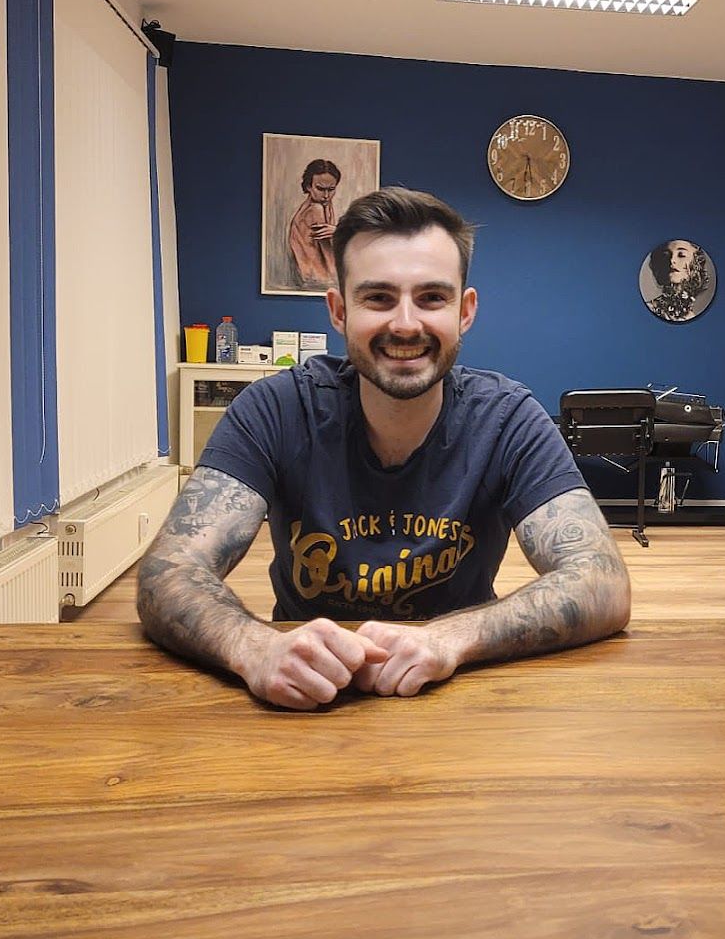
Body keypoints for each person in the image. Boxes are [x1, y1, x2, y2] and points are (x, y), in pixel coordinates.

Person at [139, 187, 630, 710]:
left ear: (465, 311)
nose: (405, 324)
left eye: (431, 297)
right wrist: (253, 647)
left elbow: (601, 581)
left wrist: (448, 641)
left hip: (460, 693)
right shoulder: (277, 409)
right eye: (378, 297)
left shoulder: (508, 419)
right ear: (338, 310)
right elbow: (168, 572)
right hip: (305, 698)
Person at [287, 159, 341, 287]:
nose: (327, 195)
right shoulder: (316, 209)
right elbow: (328, 256)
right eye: (320, 189)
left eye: (331, 189)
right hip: (317, 278)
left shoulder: (323, 204)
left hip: (312, 276)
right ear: (308, 187)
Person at [646, 239, 710, 322]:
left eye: (681, 255)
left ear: (696, 261)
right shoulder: (650, 309)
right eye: (665, 255)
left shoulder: (691, 316)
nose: (672, 260)